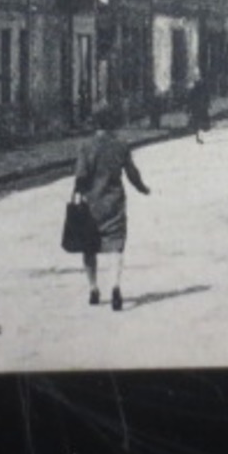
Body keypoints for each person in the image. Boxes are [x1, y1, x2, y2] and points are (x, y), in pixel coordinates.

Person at [73, 109, 151, 310]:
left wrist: (78, 194)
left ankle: (93, 289)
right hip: (114, 202)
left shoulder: (86, 146)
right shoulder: (121, 145)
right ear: (112, 124)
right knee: (116, 244)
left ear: (95, 124)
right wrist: (142, 188)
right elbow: (132, 173)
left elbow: (81, 176)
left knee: (89, 247)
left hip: (92, 203)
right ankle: (115, 286)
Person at [186, 76, 212, 144]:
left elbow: (189, 101)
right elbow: (206, 98)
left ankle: (198, 137)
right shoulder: (201, 90)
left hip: (197, 109)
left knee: (198, 124)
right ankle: (199, 137)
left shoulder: (194, 91)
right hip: (200, 109)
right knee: (199, 124)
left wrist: (188, 110)